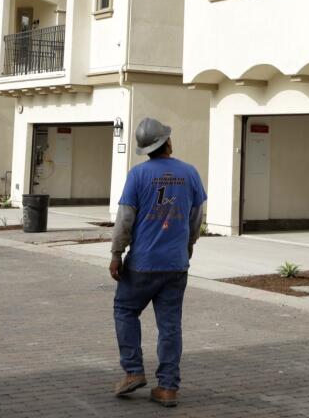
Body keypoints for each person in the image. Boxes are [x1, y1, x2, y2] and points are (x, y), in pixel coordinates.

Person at [110, 117, 206, 408]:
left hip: (142, 263)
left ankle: (133, 370)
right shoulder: (189, 173)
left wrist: (117, 254)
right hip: (176, 266)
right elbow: (197, 216)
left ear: (145, 149)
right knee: (170, 326)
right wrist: (188, 245)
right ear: (168, 143)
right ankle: (167, 388)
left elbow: (125, 219)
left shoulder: (138, 175)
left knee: (125, 309)